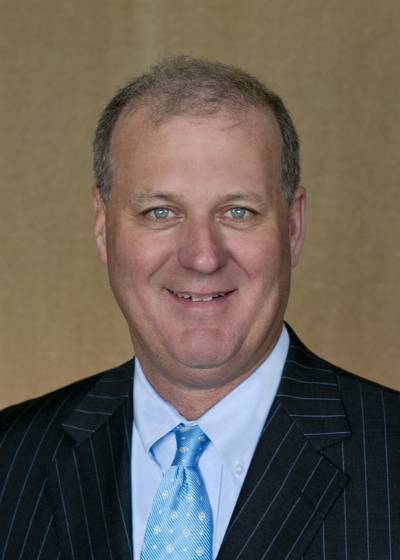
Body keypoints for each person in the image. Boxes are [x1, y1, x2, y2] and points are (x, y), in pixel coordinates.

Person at [0, 56, 399, 560]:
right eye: (160, 212)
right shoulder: (10, 461)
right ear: (102, 226)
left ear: (293, 227)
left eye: (238, 212)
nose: (203, 257)